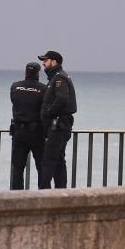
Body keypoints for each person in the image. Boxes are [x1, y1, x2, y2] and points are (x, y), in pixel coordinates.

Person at [37, 50, 77, 188]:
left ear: (54, 62)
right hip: (60, 125)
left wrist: (48, 113)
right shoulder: (56, 77)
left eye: (46, 60)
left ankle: (44, 194)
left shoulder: (59, 78)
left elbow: (62, 99)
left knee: (48, 161)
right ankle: (61, 192)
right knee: (59, 160)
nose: (43, 63)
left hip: (58, 126)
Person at [9, 61, 46, 190]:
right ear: (38, 73)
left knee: (17, 168)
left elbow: (15, 102)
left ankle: (16, 198)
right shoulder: (43, 89)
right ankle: (44, 196)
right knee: (42, 167)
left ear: (25, 72)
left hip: (19, 132)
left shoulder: (15, 87)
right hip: (37, 133)